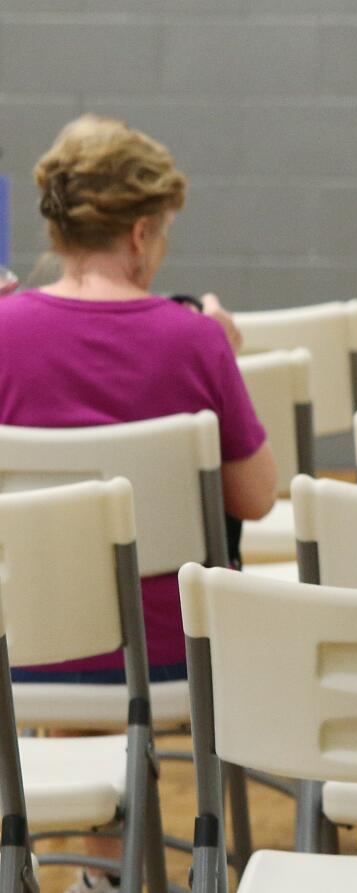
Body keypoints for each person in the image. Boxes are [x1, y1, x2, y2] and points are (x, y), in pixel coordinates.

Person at [0, 114, 277, 685]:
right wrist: (219, 355)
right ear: (140, 233)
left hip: (22, 653)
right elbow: (256, 498)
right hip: (175, 657)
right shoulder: (196, 338)